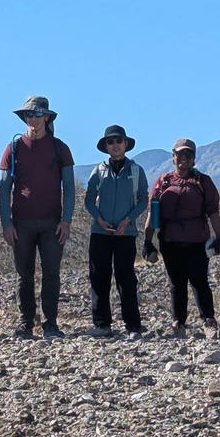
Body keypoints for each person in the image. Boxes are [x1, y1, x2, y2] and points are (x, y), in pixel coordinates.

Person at [0, 96, 75, 339]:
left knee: (51, 273)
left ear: (47, 117)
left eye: (38, 114)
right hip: (21, 222)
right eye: (29, 115)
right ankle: (25, 324)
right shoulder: (13, 148)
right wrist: (6, 223)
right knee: (24, 275)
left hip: (52, 223)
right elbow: (3, 189)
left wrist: (66, 219)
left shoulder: (60, 148)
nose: (33, 119)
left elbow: (70, 187)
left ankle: (50, 324)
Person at [143, 138, 220, 338]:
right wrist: (147, 241)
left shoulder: (203, 181)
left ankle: (208, 320)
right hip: (170, 241)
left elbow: (213, 212)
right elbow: (152, 214)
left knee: (199, 281)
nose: (184, 158)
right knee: (176, 283)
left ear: (194, 158)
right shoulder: (163, 182)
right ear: (173, 157)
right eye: (180, 154)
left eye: (189, 155)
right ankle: (178, 322)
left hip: (197, 240)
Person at [84, 125, 148, 339]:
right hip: (100, 232)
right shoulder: (98, 170)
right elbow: (89, 198)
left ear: (126, 143)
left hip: (125, 233)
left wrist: (128, 220)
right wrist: (99, 219)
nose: (115, 145)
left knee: (126, 278)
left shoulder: (136, 171)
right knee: (99, 277)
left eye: (118, 140)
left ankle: (133, 325)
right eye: (110, 142)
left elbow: (142, 199)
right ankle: (102, 324)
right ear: (106, 146)